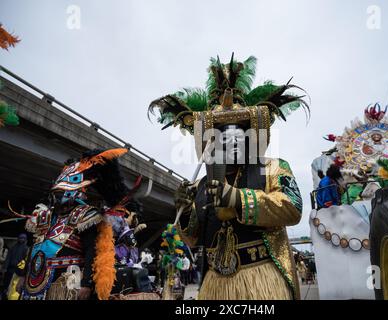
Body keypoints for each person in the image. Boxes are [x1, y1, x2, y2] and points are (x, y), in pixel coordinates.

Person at [150, 54, 307, 300]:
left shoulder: (273, 168)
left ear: (252, 136)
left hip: (261, 280)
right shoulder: (201, 184)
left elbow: (293, 208)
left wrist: (236, 198)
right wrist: (184, 210)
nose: (231, 141)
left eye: (239, 134)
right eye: (222, 136)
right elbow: (191, 240)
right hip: (214, 284)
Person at [13, 148, 129, 300]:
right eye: (58, 191)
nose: (60, 195)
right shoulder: (46, 215)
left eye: (63, 191)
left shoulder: (86, 215)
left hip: (64, 284)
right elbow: (34, 246)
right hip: (33, 280)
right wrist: (22, 275)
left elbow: (91, 251)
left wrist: (86, 283)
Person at [2, 233, 28, 299]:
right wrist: (5, 267)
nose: (21, 239)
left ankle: (9, 296)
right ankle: (4, 295)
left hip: (18, 271)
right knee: (6, 283)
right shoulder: (13, 247)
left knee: (14, 285)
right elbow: (8, 257)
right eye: (20, 238)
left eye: (23, 238)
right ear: (18, 238)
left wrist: (22, 270)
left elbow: (25, 260)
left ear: (25, 239)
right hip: (9, 269)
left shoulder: (26, 248)